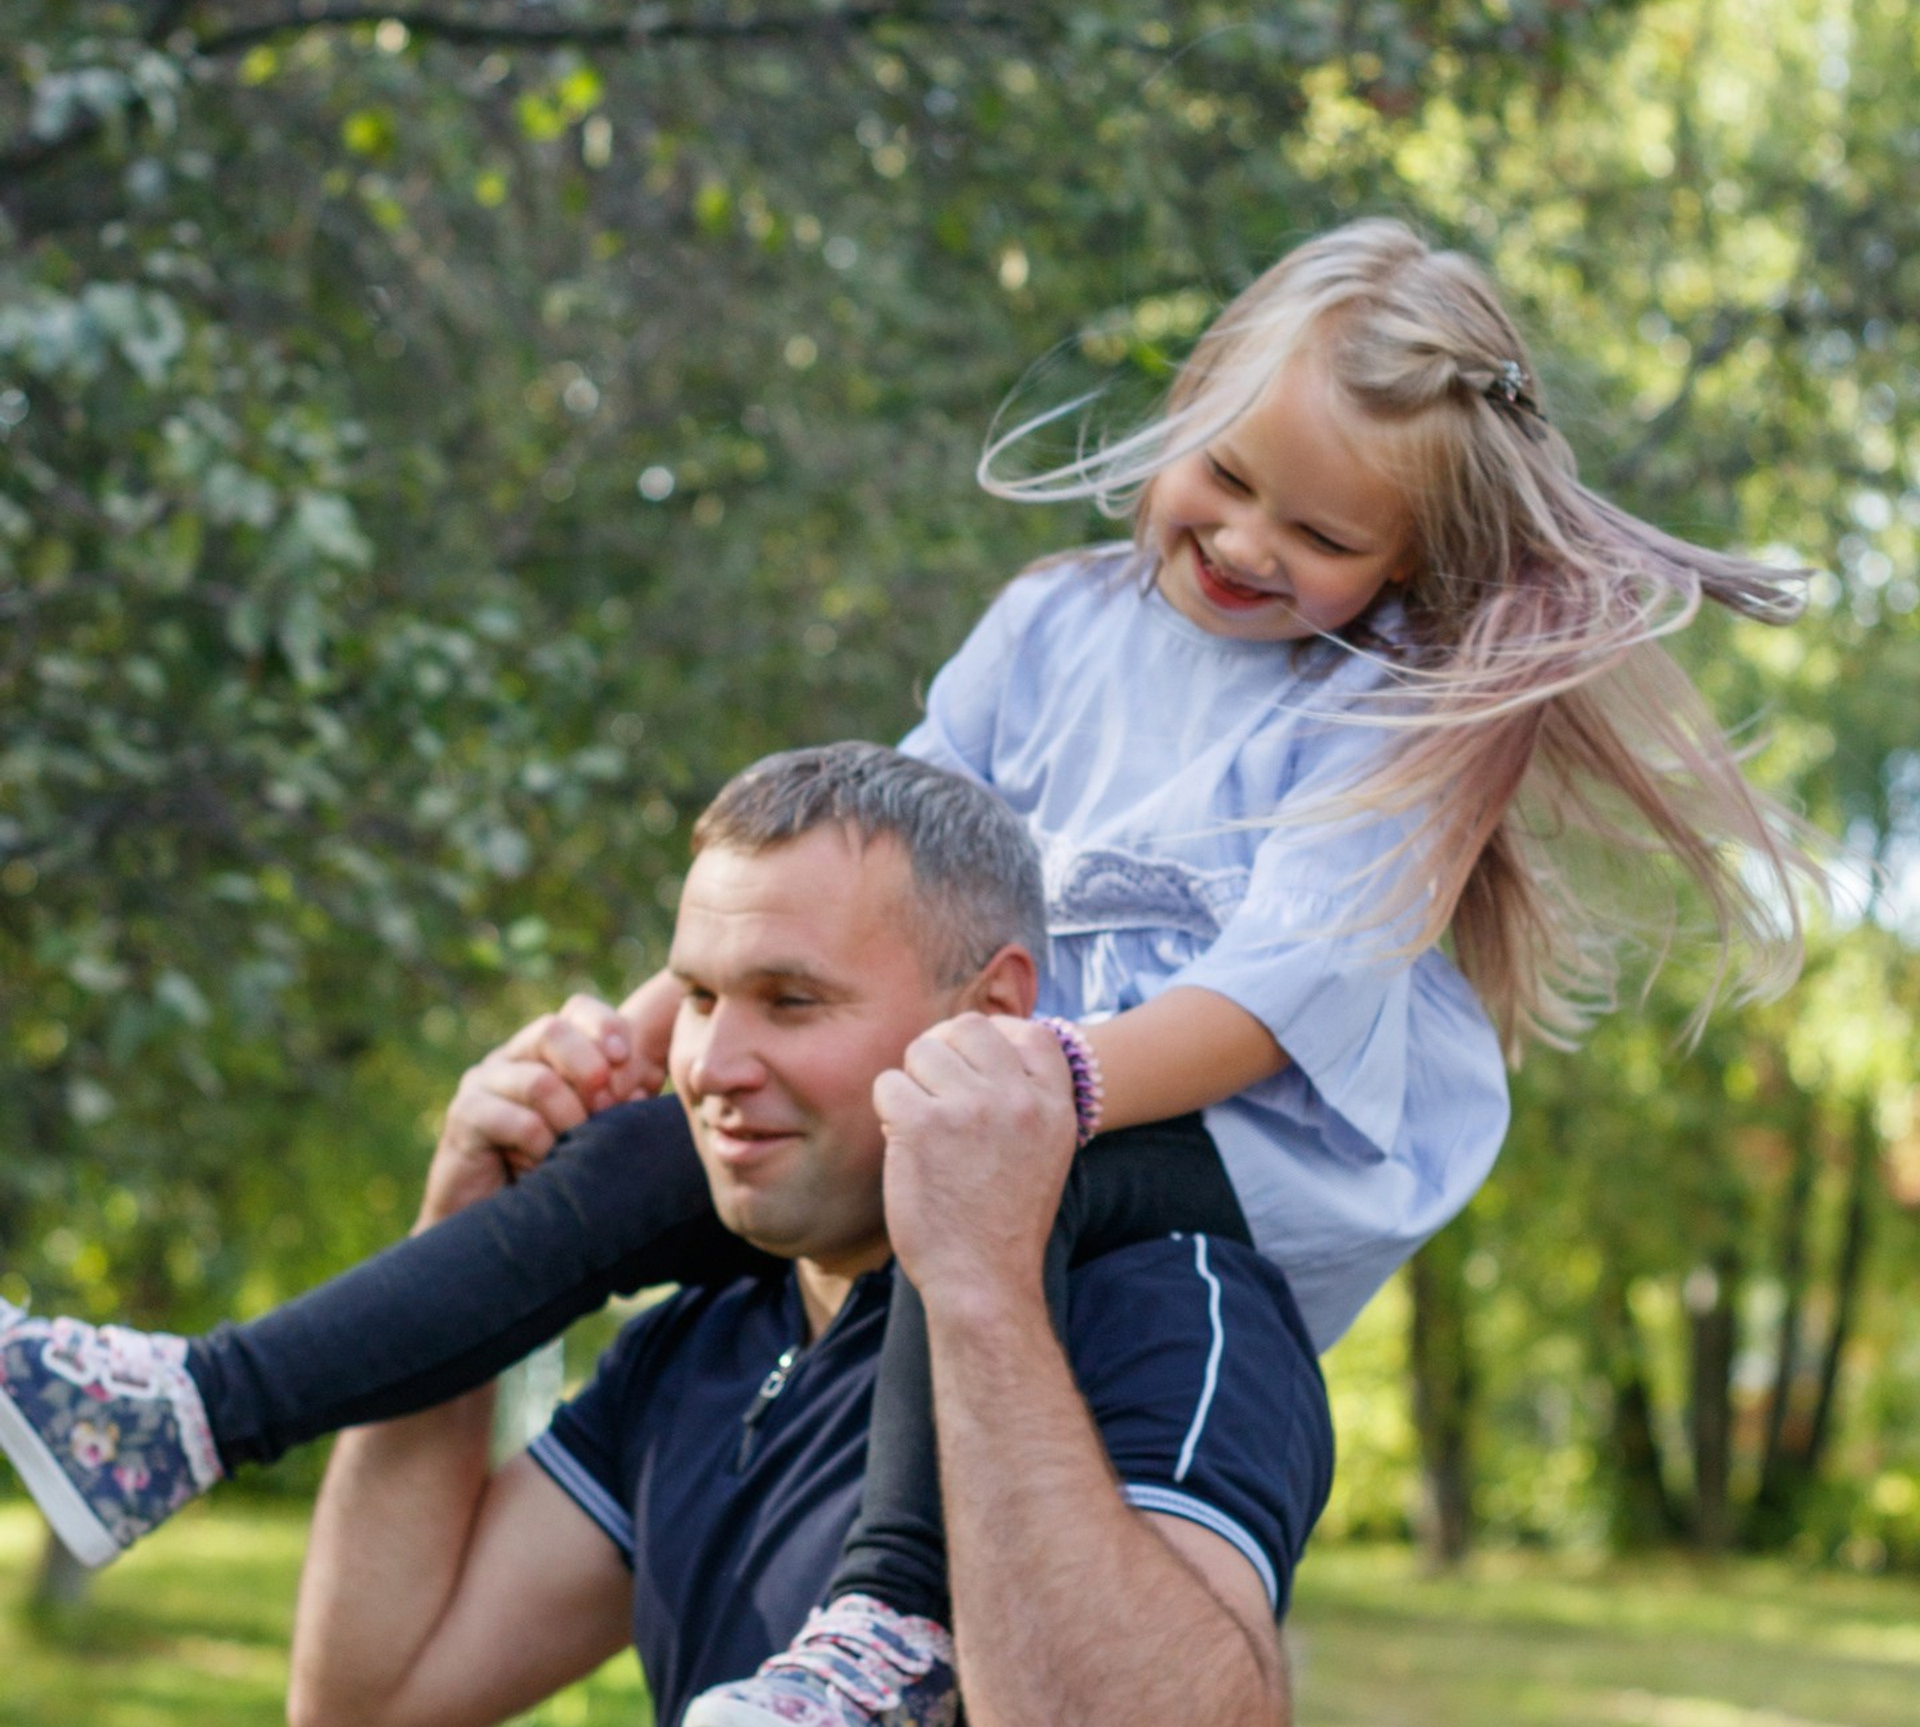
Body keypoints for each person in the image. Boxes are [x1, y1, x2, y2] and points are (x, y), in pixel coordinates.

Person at [0, 220, 1824, 1726]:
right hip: (986, 1091)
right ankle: (190, 1405)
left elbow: (1280, 998)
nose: (1251, 546)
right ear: (1183, 412)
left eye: (1327, 538)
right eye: (1229, 480)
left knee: (995, 1189)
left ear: (1409, 560)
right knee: (609, 1175)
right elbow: (361, 1710)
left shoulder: (1385, 734)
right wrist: (623, 1051)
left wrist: (1052, 1091)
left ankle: (888, 1624)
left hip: (1186, 1131)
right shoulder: (1054, 627)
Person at [285, 742, 1330, 1727]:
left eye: (790, 1001)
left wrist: (978, 1288)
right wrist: (457, 1244)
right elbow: (371, 1702)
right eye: (698, 996)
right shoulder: (705, 1333)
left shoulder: (1170, 1309)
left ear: (995, 1009)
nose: (712, 1065)